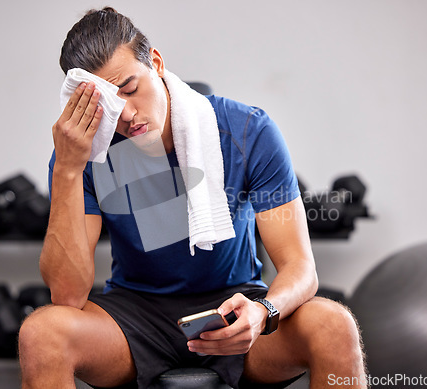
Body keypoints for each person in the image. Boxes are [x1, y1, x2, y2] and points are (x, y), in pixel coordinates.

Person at [18, 7, 366, 389]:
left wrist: (263, 311)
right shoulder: (83, 152)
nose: (127, 115)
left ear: (156, 62)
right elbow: (67, 295)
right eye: (109, 105)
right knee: (41, 332)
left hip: (236, 305)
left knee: (335, 325)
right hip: (135, 315)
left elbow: (301, 268)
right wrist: (66, 169)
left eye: (131, 89)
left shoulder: (248, 130)